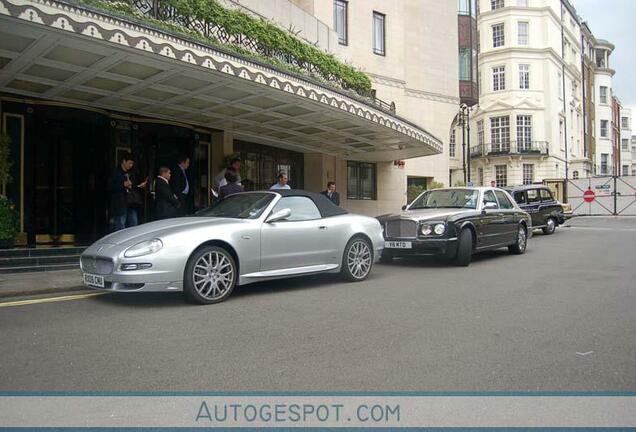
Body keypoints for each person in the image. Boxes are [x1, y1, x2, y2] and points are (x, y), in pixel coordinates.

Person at [108, 153, 147, 231]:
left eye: (132, 164)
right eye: (129, 163)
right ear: (124, 161)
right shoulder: (115, 172)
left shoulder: (131, 173)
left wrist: (139, 186)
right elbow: (110, 186)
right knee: (120, 227)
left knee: (133, 226)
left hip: (131, 203)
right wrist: (123, 184)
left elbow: (133, 187)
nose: (131, 165)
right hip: (120, 204)